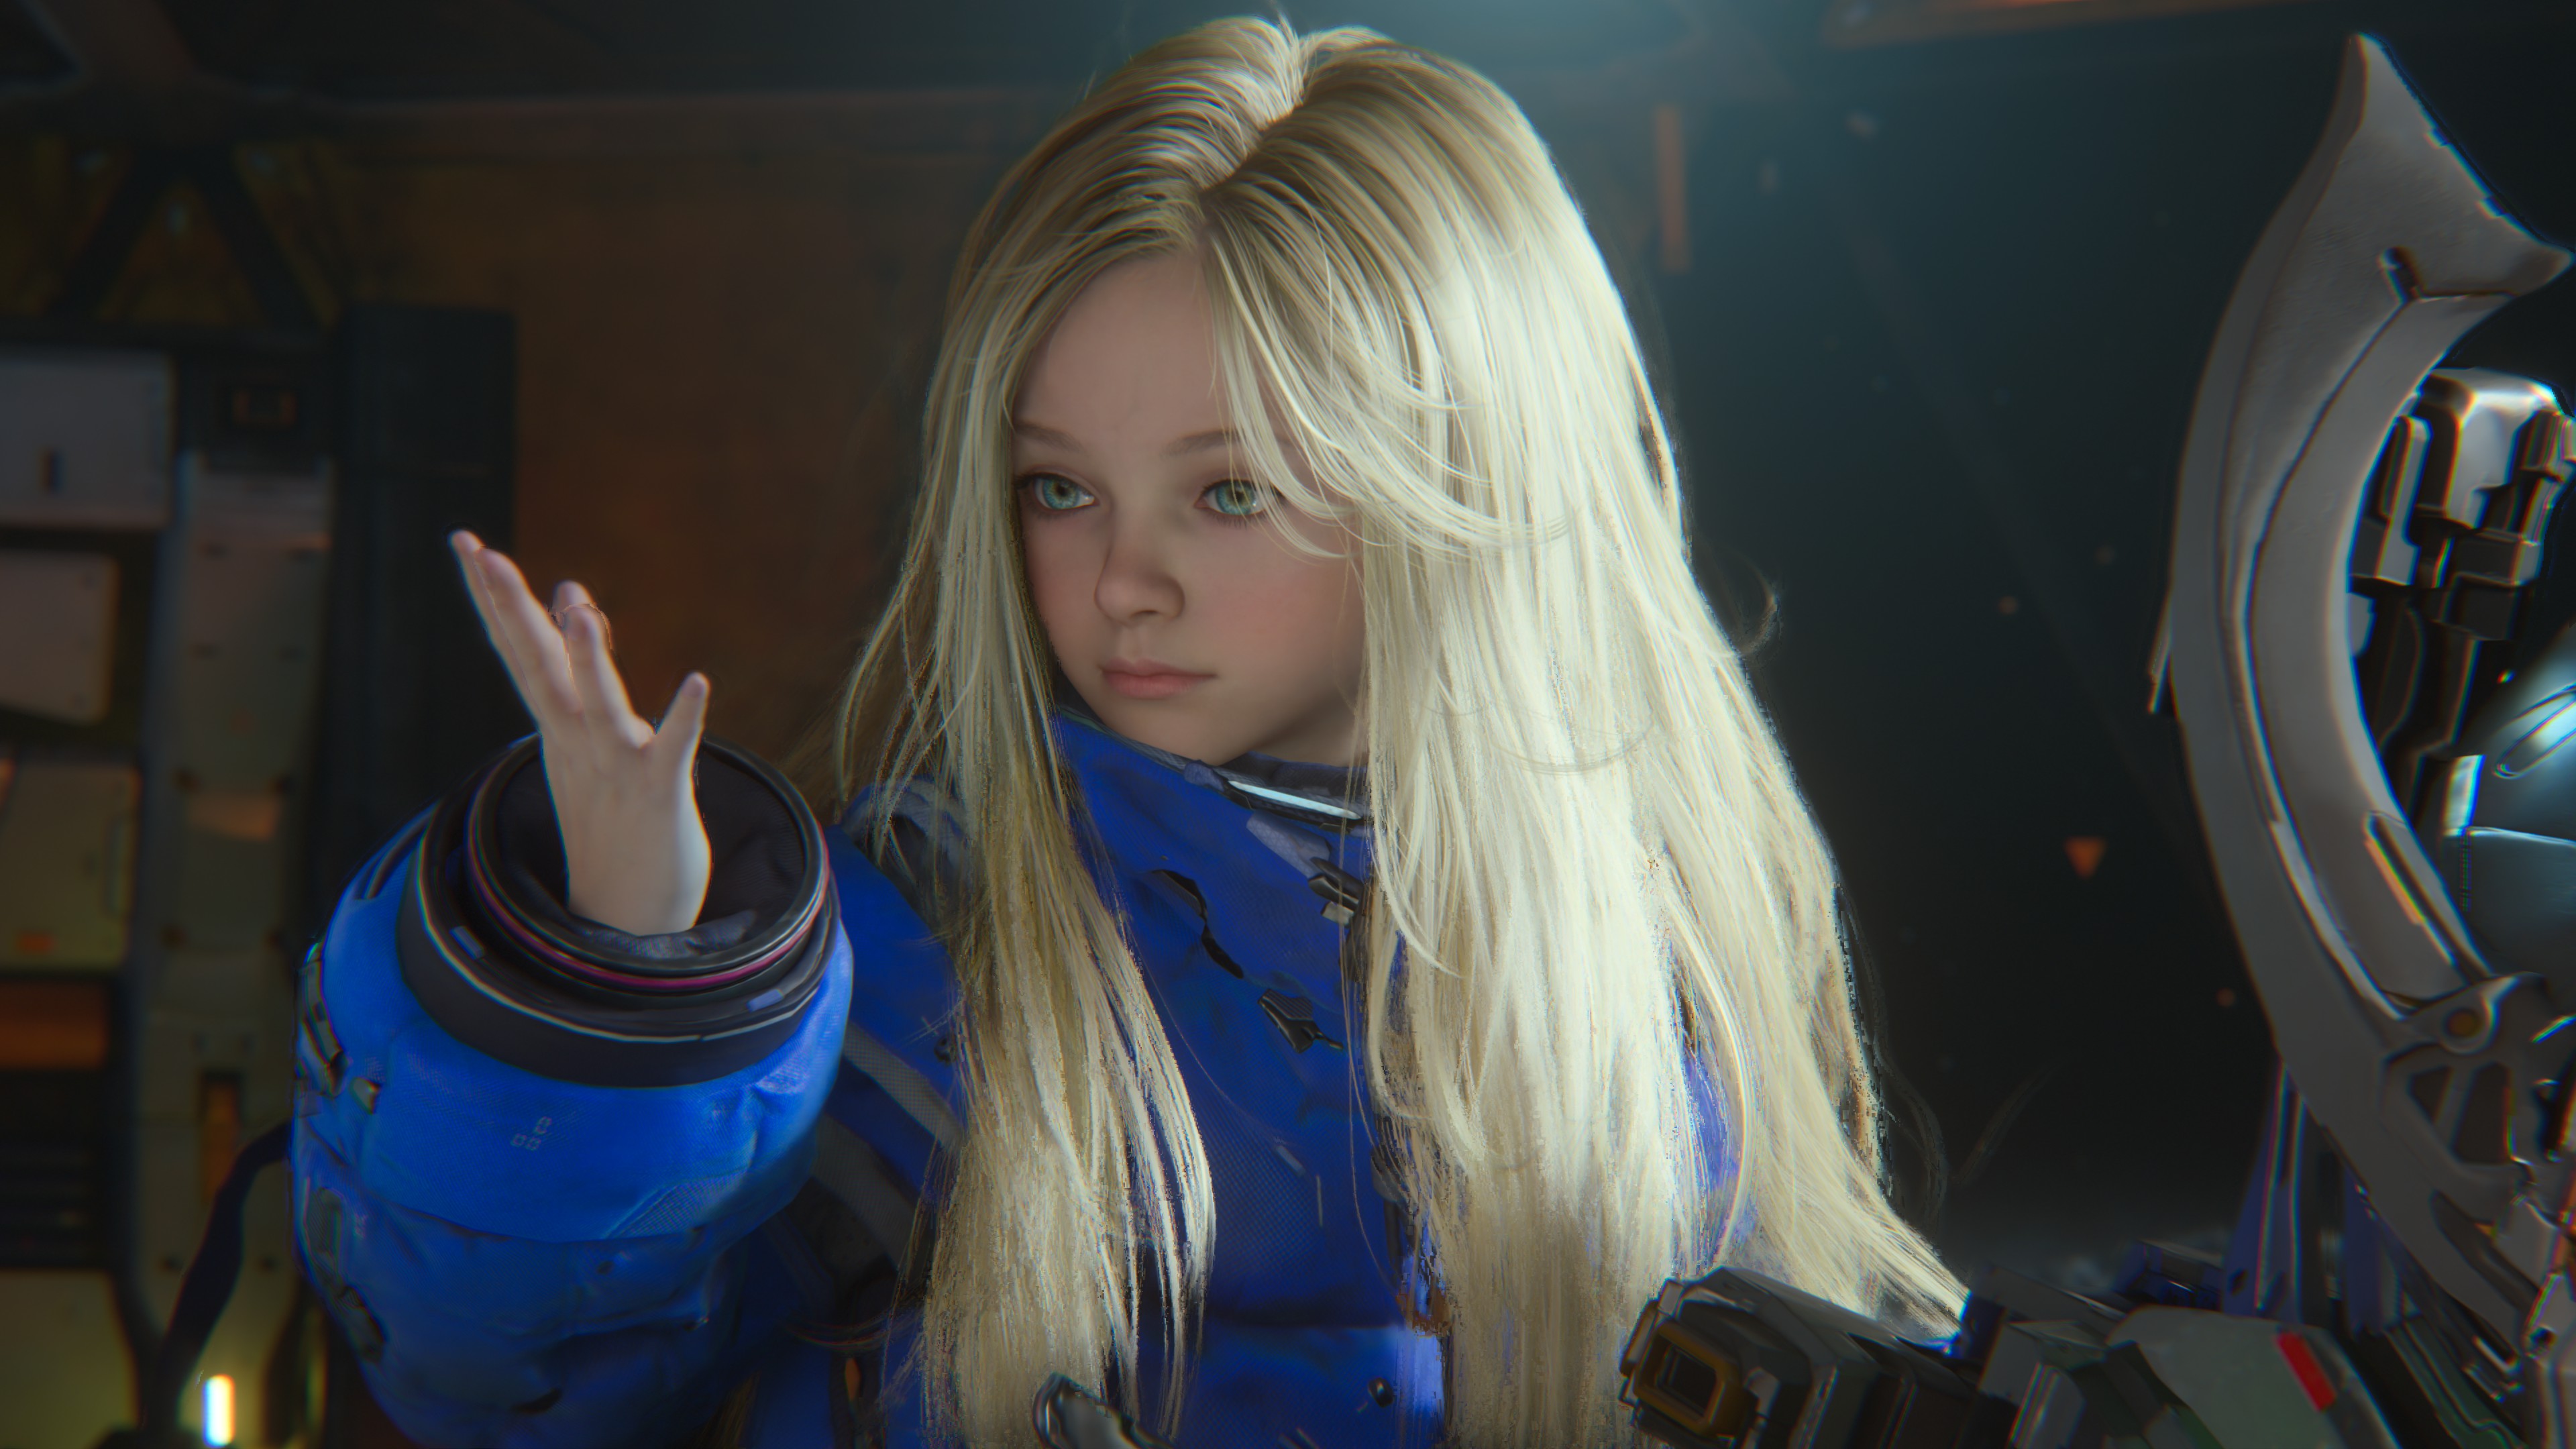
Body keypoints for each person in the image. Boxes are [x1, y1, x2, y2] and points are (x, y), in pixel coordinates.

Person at [291, 18, 1962, 1449]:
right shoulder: (933, 951)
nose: (1120, 583)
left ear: (1468, 490)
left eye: (1229, 493)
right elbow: (515, 1379)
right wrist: (627, 989)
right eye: (1057, 488)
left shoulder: (1632, 988)